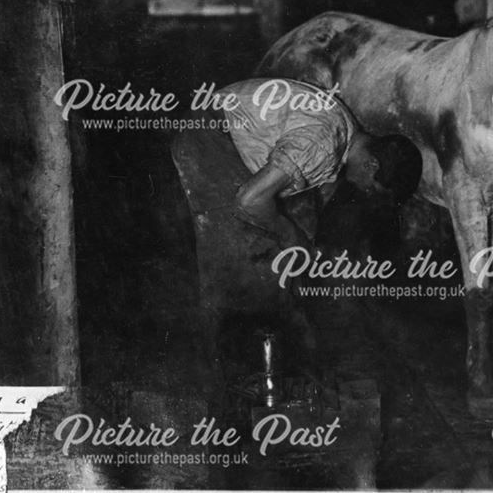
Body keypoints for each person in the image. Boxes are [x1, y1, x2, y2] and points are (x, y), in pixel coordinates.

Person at [171, 77, 422, 372]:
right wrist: (290, 235)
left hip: (226, 129)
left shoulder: (345, 130)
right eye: (372, 190)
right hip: (211, 135)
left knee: (273, 252)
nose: (366, 194)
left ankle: (255, 363)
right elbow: (250, 201)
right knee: (240, 263)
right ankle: (226, 374)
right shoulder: (323, 141)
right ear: (372, 166)